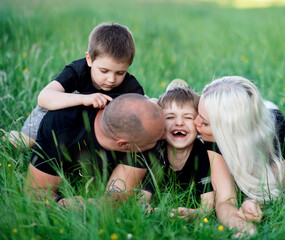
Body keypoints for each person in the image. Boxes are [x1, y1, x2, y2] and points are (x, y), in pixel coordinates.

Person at [194, 76, 285, 235]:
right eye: (197, 114)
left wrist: (254, 203)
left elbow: (282, 186)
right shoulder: (212, 139)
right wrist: (241, 226)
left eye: (204, 123)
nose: (195, 124)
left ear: (229, 129)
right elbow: (225, 201)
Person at [8, 22, 143, 148]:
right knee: (26, 144)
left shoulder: (128, 83)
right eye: (104, 71)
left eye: (120, 72)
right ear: (89, 59)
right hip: (54, 110)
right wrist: (85, 98)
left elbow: (146, 105)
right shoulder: (78, 70)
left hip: (79, 123)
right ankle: (7, 137)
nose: (112, 79)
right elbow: (43, 98)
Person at [26, 93, 165, 208]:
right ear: (123, 144)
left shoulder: (146, 132)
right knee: (26, 142)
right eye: (155, 141)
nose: (165, 136)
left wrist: (97, 205)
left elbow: (118, 197)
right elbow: (35, 191)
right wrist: (61, 204)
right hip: (54, 112)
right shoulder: (61, 125)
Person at [141, 85, 215, 220]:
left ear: (198, 123)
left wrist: (194, 213)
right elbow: (142, 198)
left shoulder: (202, 154)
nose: (179, 123)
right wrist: (148, 209)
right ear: (160, 122)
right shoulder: (156, 151)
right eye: (170, 117)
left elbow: (208, 206)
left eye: (187, 117)